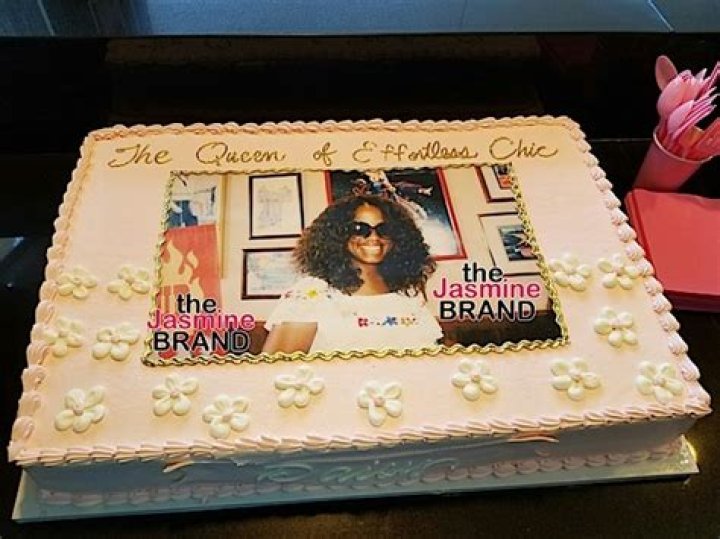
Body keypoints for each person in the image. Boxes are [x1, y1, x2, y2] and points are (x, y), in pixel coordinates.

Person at [262, 195, 443, 354]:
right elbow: (275, 369)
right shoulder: (311, 293)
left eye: (384, 230)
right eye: (359, 229)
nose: (374, 238)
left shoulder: (408, 292)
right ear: (338, 235)